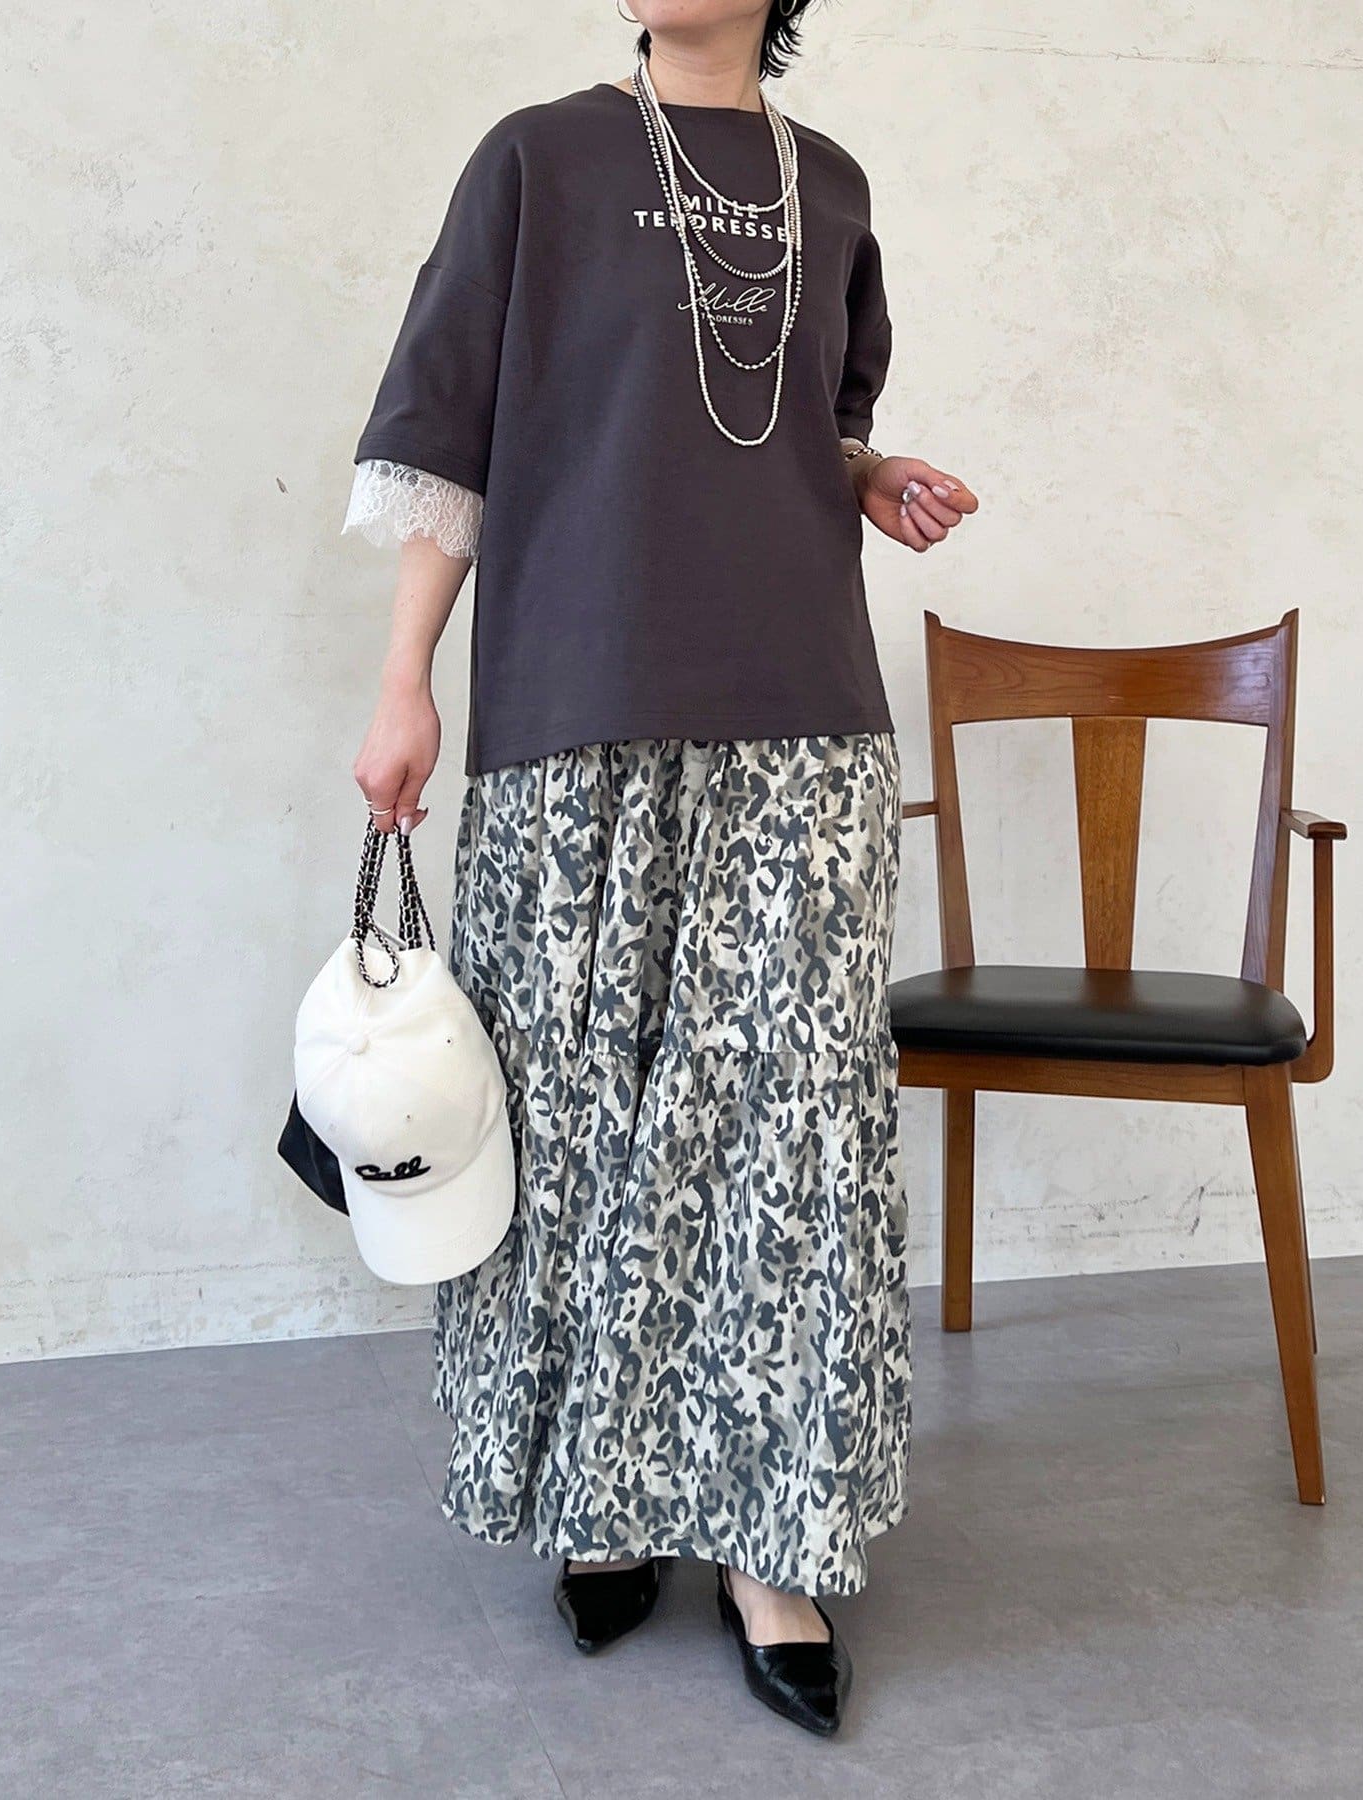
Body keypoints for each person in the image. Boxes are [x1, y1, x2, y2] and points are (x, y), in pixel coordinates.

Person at [343, 0, 977, 1737]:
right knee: (578, 1122)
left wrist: (871, 474)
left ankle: (772, 1545)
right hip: (574, 705)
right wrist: (404, 684)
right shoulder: (535, 161)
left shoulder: (827, 184)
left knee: (785, 1131)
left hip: (802, 716)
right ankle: (604, 1496)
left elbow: (802, 430)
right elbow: (449, 440)